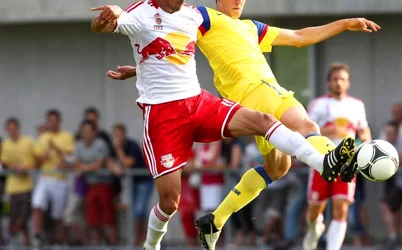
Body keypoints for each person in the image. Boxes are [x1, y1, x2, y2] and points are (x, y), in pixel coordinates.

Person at [106, 1, 379, 248]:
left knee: (278, 167)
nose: (238, 0)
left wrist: (345, 24)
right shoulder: (204, 17)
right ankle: (329, 161)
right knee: (306, 125)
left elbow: (298, 38)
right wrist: (142, 66)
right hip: (253, 95)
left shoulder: (251, 27)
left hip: (259, 98)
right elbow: (168, 34)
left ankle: (216, 219)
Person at [304, 63, 372, 250]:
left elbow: (363, 128)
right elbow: (306, 129)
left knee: (341, 208)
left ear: (348, 83)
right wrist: (327, 130)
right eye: (335, 79)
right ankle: (313, 229)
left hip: (347, 164)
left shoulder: (357, 105)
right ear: (328, 82)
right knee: (314, 210)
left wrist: (366, 139)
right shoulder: (319, 104)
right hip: (321, 161)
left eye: (342, 79)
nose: (338, 83)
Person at [32, 109, 74, 248]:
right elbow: (36, 161)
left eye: (55, 121)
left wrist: (55, 147)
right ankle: (37, 236)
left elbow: (70, 158)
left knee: (58, 213)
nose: (53, 124)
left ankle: (59, 241)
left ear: (59, 122)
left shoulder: (66, 136)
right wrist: (42, 158)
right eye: (50, 122)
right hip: (45, 177)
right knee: (37, 204)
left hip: (59, 179)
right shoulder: (43, 137)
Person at [108, 123, 153, 246]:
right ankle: (140, 237)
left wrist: (118, 149)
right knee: (134, 211)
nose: (116, 138)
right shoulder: (113, 147)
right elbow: (110, 161)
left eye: (119, 135)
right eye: (115, 135)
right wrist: (115, 169)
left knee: (139, 210)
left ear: (124, 135)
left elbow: (128, 163)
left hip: (144, 181)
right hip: (131, 182)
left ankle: (140, 238)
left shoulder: (131, 145)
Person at [0, 118, 36, 246]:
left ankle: (12, 233)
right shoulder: (6, 144)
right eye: (9, 130)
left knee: (24, 215)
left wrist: (25, 168)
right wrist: (14, 167)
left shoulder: (28, 142)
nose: (12, 132)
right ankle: (26, 241)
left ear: (18, 129)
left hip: (26, 186)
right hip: (12, 186)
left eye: (14, 129)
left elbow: (35, 161)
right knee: (15, 215)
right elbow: (4, 162)